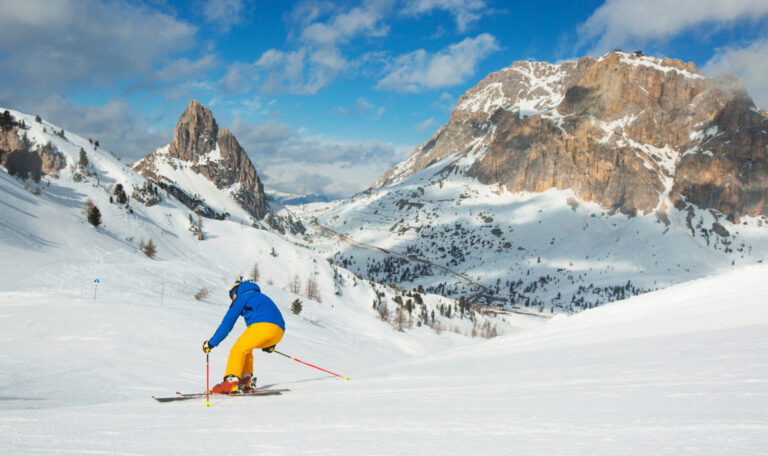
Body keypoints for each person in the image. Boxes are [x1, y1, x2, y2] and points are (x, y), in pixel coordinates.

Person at [203, 277, 286, 394]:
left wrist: (211, 343)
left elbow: (227, 325)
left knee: (237, 350)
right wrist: (270, 344)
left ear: (235, 291)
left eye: (231, 296)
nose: (232, 299)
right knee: (246, 348)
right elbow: (273, 317)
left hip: (261, 326)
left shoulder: (242, 296)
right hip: (279, 331)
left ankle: (230, 382)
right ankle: (245, 381)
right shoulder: (262, 297)